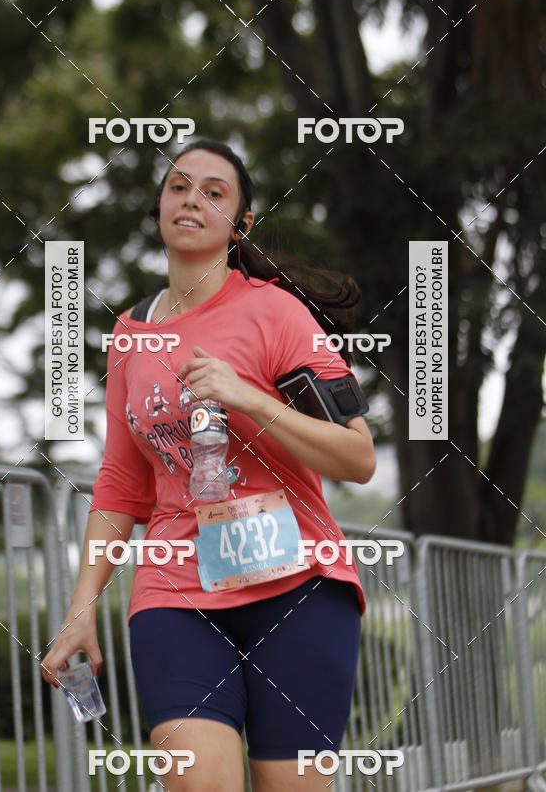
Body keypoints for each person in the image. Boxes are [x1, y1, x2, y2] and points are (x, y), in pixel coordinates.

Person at [40, 139, 376, 791]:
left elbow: (357, 456)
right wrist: (82, 608)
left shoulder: (278, 313)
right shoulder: (131, 335)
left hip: (296, 584)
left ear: (241, 224)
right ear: (160, 204)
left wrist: (245, 395)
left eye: (214, 192)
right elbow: (120, 482)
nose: (191, 199)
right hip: (175, 587)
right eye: (178, 186)